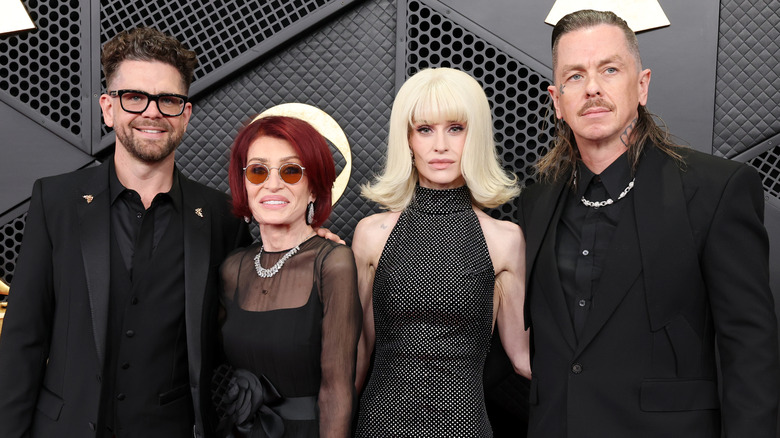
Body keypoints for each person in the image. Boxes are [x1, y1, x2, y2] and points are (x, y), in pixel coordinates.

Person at [518, 9, 779, 437]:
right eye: (575, 76)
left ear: (642, 86)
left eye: (610, 69)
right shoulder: (536, 201)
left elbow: (749, 349)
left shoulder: (716, 189)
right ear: (557, 101)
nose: (593, 88)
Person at [0, 27, 250, 437]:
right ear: (108, 108)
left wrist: (306, 247)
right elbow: (22, 341)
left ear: (185, 114)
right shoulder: (56, 201)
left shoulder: (222, 217)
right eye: (134, 97)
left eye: (168, 100)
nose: (152, 113)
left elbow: (252, 316)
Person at [352, 67, 531, 437]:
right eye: (424, 129)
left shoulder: (504, 240)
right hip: (382, 423)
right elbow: (357, 353)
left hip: (463, 425)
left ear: (476, 135)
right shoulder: (372, 235)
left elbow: (522, 358)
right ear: (407, 138)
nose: (440, 146)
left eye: (455, 128)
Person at [215, 115, 361, 437]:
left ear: (314, 189)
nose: (272, 184)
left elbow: (337, 390)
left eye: (291, 171)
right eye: (258, 171)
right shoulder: (232, 268)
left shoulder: (333, 263)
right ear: (245, 186)